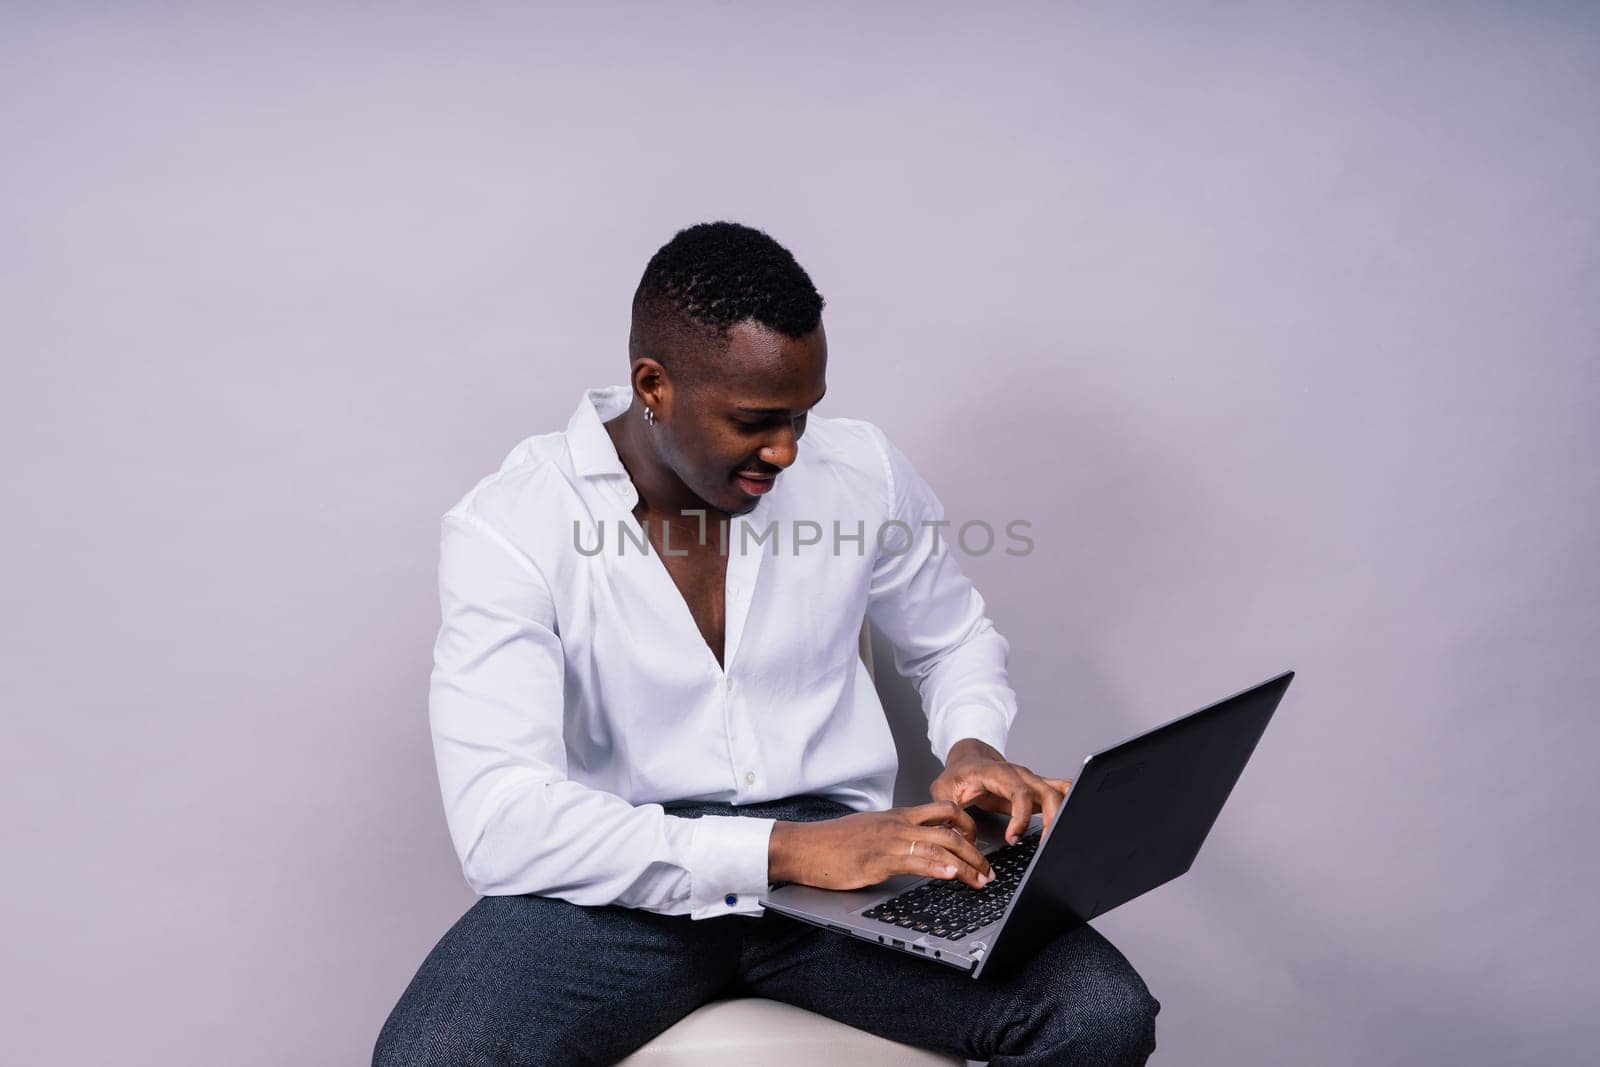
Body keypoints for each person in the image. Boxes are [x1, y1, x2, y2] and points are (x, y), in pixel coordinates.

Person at [374, 222, 1159, 1065]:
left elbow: (953, 636)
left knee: (1098, 1013)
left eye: (802, 416)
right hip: (620, 879)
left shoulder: (859, 470)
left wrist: (971, 740)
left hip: (839, 881)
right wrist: (783, 850)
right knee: (433, 1058)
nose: (786, 450)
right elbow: (503, 820)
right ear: (654, 384)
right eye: (755, 421)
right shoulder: (513, 523)